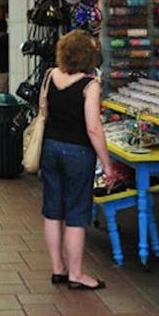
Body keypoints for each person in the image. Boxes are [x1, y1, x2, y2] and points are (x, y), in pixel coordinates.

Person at [39, 30, 118, 290]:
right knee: (76, 212)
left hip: (50, 147)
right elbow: (93, 127)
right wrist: (107, 164)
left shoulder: (50, 76)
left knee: (53, 211)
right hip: (78, 153)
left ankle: (57, 269)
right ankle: (76, 274)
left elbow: (44, 112)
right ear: (88, 55)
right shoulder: (90, 85)